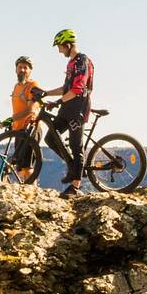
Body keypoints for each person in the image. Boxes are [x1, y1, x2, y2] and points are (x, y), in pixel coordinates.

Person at [42, 29, 94, 198]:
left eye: (60, 47)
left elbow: (77, 89)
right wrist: (46, 94)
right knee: (50, 138)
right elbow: (66, 88)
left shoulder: (82, 61)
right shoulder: (71, 63)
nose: (59, 50)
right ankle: (72, 167)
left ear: (68, 44)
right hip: (67, 108)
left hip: (78, 108)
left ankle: (75, 186)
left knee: (76, 145)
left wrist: (58, 102)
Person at [9, 56, 40, 182]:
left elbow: (30, 109)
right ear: (16, 70)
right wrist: (13, 122)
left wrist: (12, 118)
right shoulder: (16, 86)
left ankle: (32, 191)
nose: (22, 70)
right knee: (20, 166)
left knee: (27, 165)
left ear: (30, 71)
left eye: (25, 68)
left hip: (30, 128)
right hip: (18, 129)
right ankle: (25, 191)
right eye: (20, 67)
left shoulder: (33, 85)